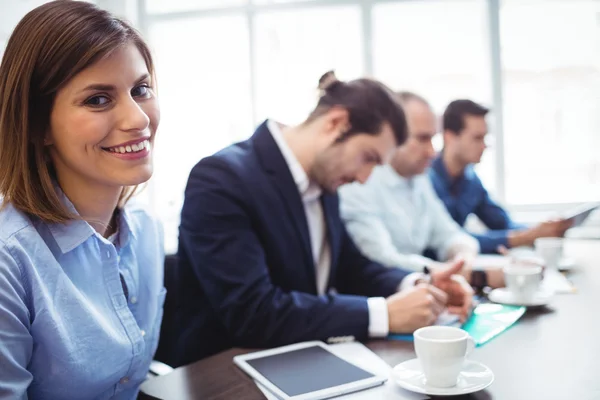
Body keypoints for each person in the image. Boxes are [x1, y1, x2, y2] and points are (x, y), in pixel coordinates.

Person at [168, 72, 472, 366]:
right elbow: (253, 312)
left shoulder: (324, 180)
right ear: (336, 123)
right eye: (368, 158)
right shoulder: (222, 179)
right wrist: (383, 314)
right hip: (224, 372)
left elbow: (351, 266)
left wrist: (419, 284)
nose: (364, 179)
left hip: (301, 359)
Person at [0, 2, 164, 398]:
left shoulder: (146, 231)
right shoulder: (10, 260)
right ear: (39, 125)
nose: (138, 118)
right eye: (98, 100)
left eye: (140, 90)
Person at [339, 92, 501, 288]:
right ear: (393, 135)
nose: (432, 152)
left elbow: (448, 233)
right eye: (422, 139)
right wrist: (453, 273)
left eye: (433, 138)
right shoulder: (360, 182)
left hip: (424, 287)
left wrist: (463, 258)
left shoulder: (418, 179)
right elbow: (381, 259)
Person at [429, 99, 572, 254]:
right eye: (477, 138)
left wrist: (542, 230)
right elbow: (450, 238)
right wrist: (523, 237)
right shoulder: (425, 180)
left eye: (485, 137)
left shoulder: (471, 181)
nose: (484, 146)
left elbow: (503, 223)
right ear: (449, 137)